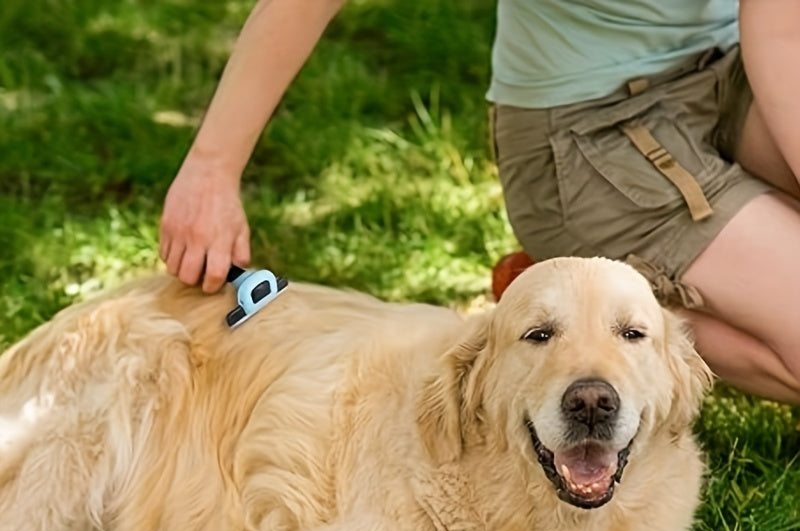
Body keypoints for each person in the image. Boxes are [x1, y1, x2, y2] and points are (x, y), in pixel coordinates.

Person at [159, 0, 800, 405]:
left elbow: (781, 33)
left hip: (728, 72)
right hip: (591, 133)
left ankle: (583, 287)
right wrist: (210, 171)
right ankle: (584, 301)